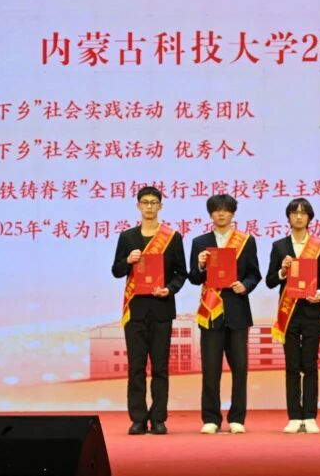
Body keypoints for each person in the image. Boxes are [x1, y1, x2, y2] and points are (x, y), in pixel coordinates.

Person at [110, 186, 187, 435]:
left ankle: (159, 418)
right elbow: (116, 270)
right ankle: (138, 419)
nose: (150, 206)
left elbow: (181, 273)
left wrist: (169, 289)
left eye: (154, 202)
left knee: (160, 368)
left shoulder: (172, 237)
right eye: (145, 202)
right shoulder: (127, 237)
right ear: (138, 206)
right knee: (136, 367)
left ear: (160, 206)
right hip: (136, 311)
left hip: (161, 309)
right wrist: (127, 261)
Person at [189, 194, 262, 434]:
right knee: (210, 369)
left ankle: (237, 418)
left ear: (233, 213)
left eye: (226, 209)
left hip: (237, 312)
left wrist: (245, 286)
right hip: (211, 313)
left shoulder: (246, 241)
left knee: (239, 369)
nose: (221, 214)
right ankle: (211, 418)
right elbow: (194, 278)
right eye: (216, 210)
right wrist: (200, 265)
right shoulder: (200, 242)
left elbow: (254, 274)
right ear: (210, 214)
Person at [265, 198, 320, 434]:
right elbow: (270, 281)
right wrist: (282, 271)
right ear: (288, 217)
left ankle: (310, 416)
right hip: (289, 314)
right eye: (294, 213)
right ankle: (294, 416)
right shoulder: (279, 246)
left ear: (309, 218)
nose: (298, 216)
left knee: (310, 364)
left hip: (312, 311)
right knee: (292, 365)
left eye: (303, 213)